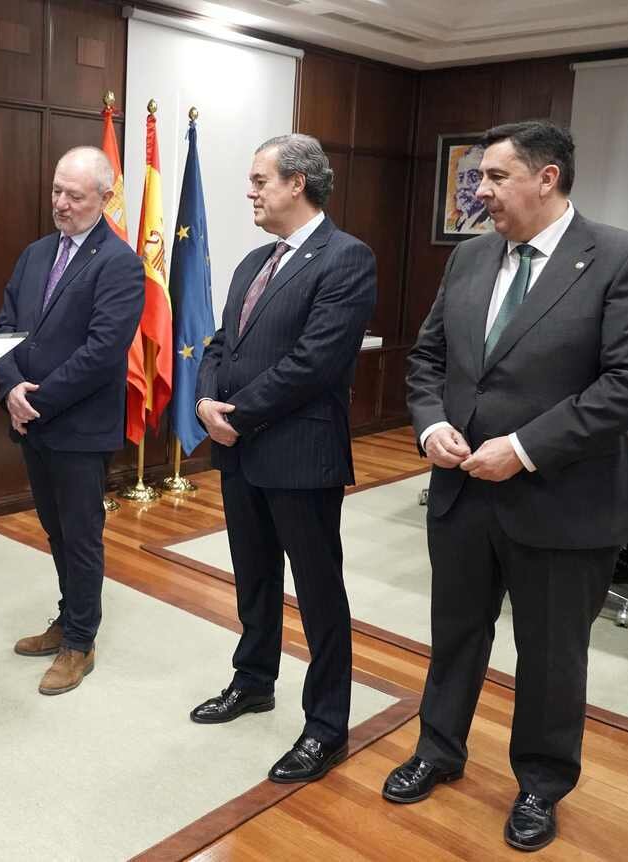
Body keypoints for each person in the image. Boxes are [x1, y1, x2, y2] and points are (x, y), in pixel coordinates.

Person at [386, 120, 628, 852]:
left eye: (494, 177)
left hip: (563, 501)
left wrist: (523, 447)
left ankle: (542, 786)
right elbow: (429, 361)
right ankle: (437, 750)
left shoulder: (626, 260)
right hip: (460, 493)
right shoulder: (471, 260)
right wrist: (430, 428)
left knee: (550, 656)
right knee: (455, 636)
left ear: (547, 178)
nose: (478, 192)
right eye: (479, 178)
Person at [190, 133, 376, 784]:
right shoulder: (251, 264)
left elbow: (314, 364)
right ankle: (253, 680)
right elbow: (220, 345)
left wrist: (235, 416)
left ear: (299, 184)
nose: (251, 190)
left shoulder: (346, 259)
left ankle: (326, 725)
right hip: (242, 453)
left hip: (299, 454)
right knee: (255, 577)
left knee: (319, 593)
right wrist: (207, 399)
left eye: (260, 179)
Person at [0, 146, 143, 696]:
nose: (60, 203)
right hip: (32, 421)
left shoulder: (120, 263)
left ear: (104, 199)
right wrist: (10, 387)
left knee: (81, 535)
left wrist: (40, 398)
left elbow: (104, 352)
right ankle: (67, 617)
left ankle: (81, 641)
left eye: (73, 196)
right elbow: (5, 326)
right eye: (56, 190)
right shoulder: (35, 254)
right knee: (54, 530)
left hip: (77, 427)